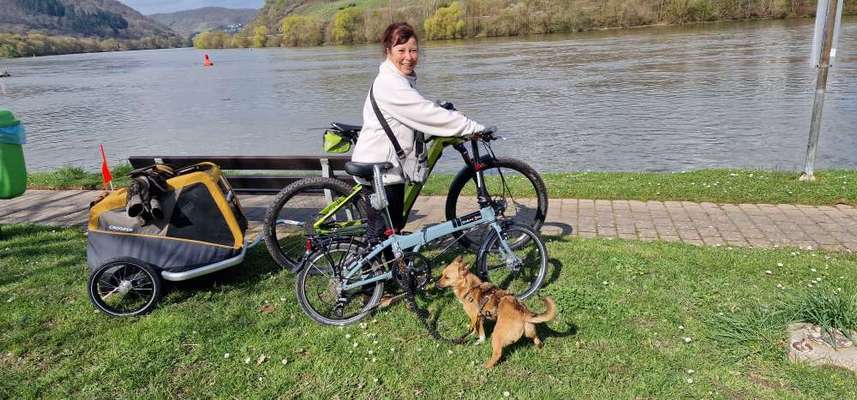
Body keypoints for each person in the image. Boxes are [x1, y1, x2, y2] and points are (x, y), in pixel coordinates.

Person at [352, 22, 486, 245]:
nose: (408, 57)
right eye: (401, 50)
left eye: (413, 50)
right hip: (381, 169)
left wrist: (441, 109)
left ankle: (386, 274)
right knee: (381, 238)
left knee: (389, 232)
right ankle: (364, 277)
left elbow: (417, 106)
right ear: (388, 51)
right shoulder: (390, 83)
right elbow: (424, 113)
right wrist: (472, 127)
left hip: (385, 165)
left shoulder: (398, 80)